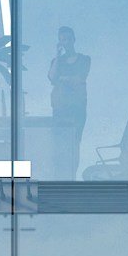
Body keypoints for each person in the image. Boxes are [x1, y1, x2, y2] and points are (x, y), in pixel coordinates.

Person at [47, 26, 90, 179]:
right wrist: (57, 56)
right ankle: (60, 177)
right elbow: (52, 77)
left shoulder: (84, 59)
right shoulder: (56, 61)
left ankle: (73, 175)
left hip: (77, 108)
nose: (65, 42)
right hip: (59, 108)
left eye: (68, 39)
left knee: (75, 142)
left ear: (73, 39)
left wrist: (63, 79)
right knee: (58, 143)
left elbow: (80, 78)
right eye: (62, 39)